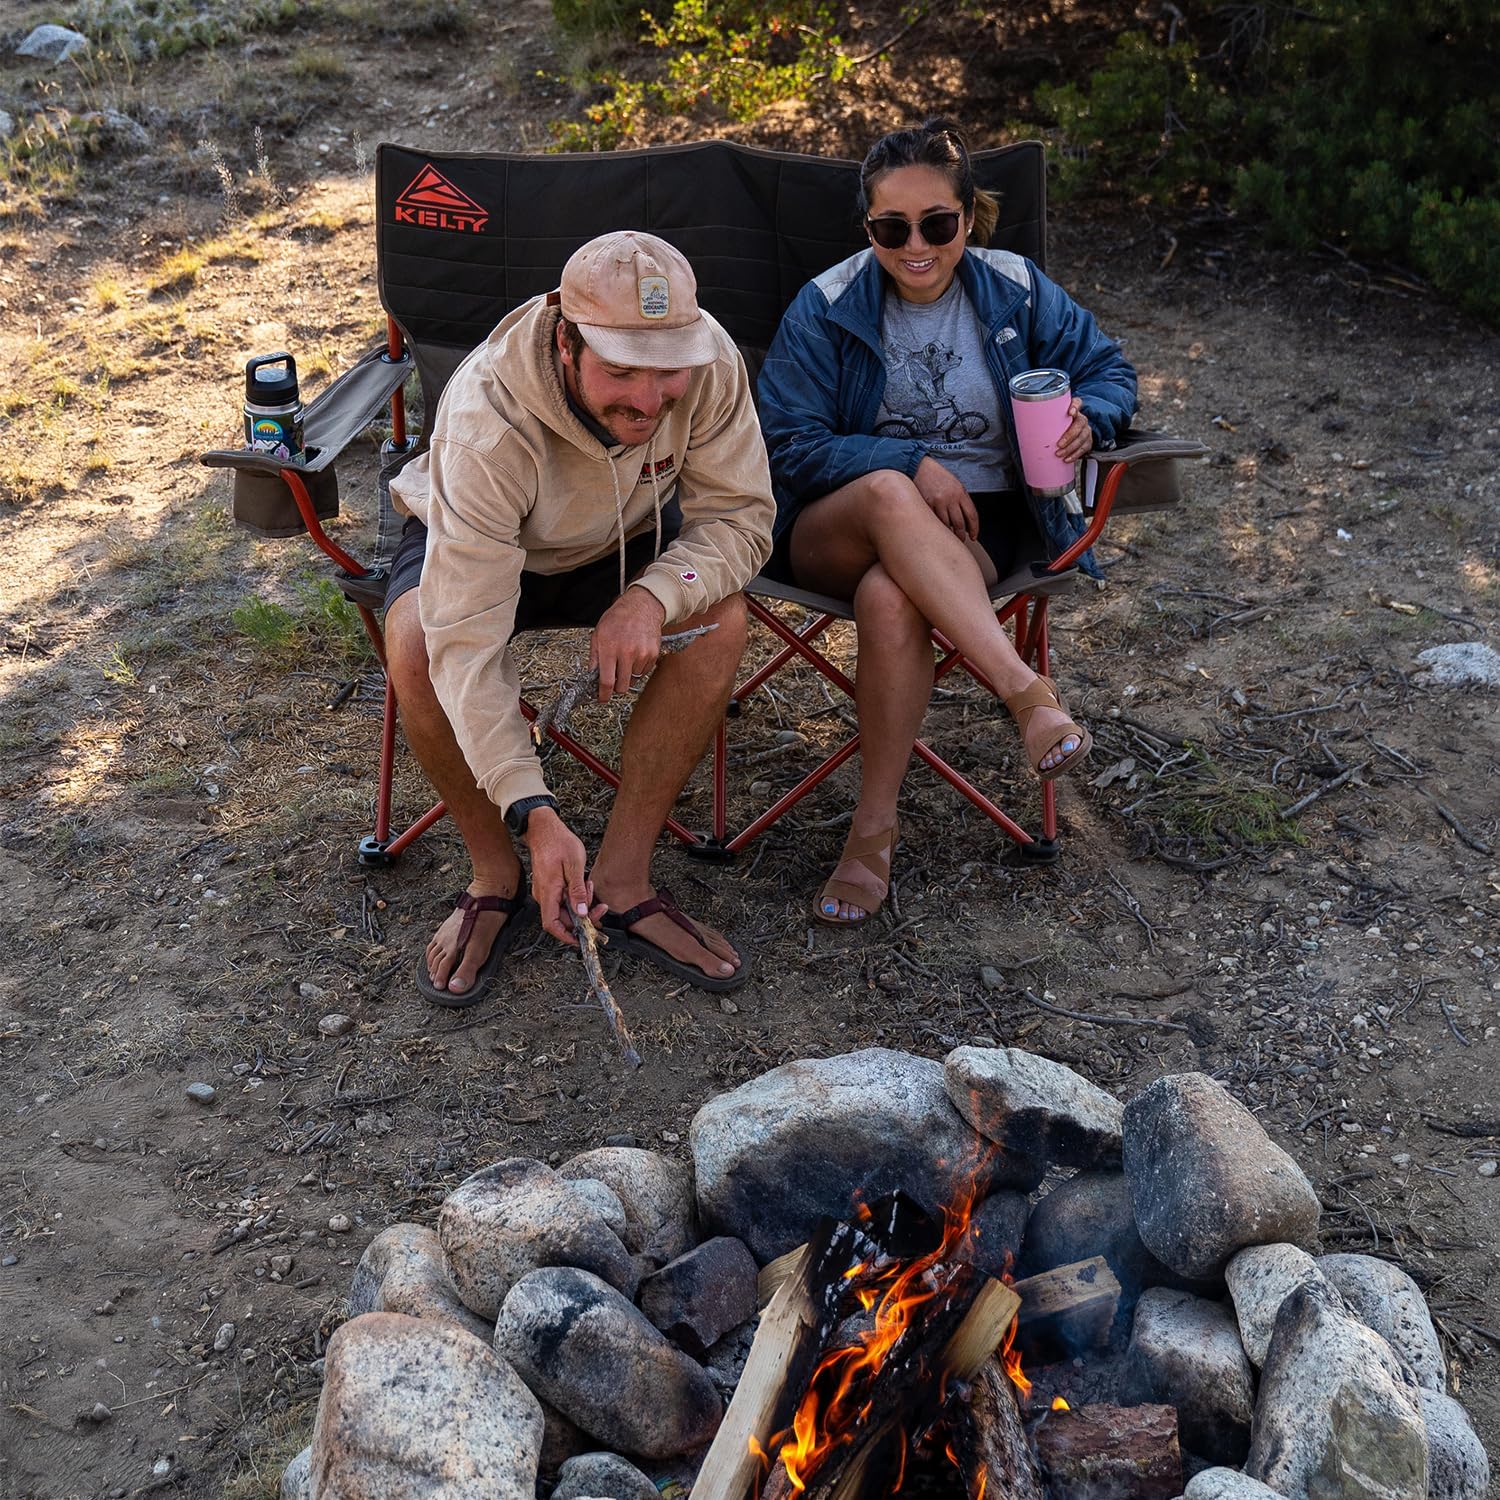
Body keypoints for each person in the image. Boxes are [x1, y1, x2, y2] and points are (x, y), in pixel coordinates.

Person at [758, 119, 1138, 926]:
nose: (916, 245)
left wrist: (1092, 418)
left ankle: (873, 832)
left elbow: (1107, 367)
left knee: (893, 601)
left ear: (969, 216)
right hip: (837, 525)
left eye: (937, 223)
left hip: (984, 527)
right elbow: (789, 442)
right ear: (868, 228)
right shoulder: (826, 306)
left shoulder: (1016, 288)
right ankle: (1025, 693)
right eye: (891, 228)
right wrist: (905, 464)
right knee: (894, 493)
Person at [386, 230, 774, 1005]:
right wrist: (533, 806)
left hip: (628, 541)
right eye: (621, 370)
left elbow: (742, 518)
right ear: (566, 341)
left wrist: (653, 596)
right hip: (488, 542)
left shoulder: (710, 359)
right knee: (418, 640)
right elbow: (465, 637)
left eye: (668, 372)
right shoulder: (486, 418)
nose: (649, 397)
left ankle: (625, 880)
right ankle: (495, 872)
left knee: (721, 620)